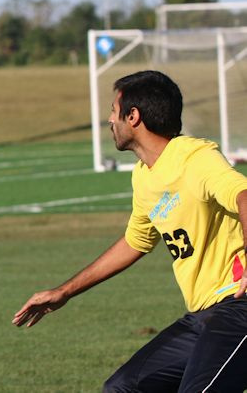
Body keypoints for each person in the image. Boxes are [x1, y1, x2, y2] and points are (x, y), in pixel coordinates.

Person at [13, 69, 247, 391]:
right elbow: (135, 241)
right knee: (122, 387)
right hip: (204, 316)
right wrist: (65, 291)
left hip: (239, 306)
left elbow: (244, 195)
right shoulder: (144, 176)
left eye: (114, 110)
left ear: (133, 116)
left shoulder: (194, 158)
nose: (110, 120)